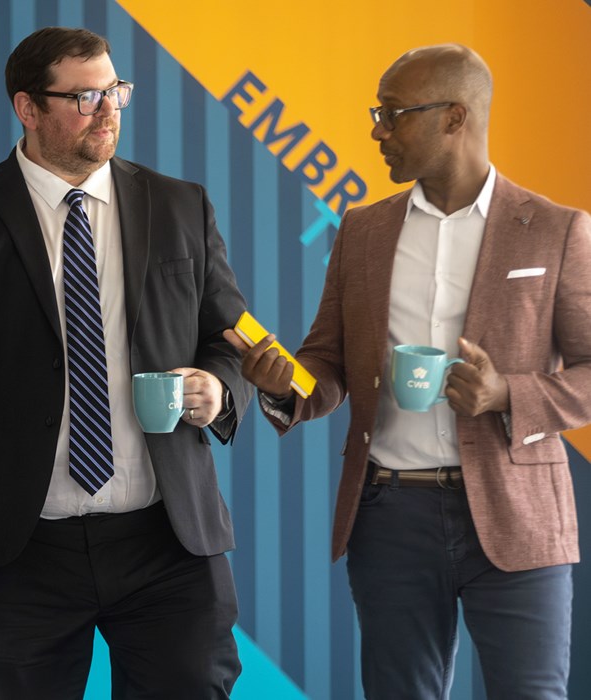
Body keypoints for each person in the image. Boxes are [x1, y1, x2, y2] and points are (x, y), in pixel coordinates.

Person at [0, 27, 251, 697]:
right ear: (28, 109)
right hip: (15, 545)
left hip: (166, 539)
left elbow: (231, 338)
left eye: (115, 91)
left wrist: (217, 389)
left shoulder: (180, 205)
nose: (107, 110)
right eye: (84, 97)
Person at [226, 44, 591, 699]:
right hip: (389, 514)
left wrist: (507, 393)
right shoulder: (362, 231)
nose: (375, 130)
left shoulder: (556, 231)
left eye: (392, 114)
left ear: (455, 118)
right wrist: (289, 386)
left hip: (519, 512)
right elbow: (327, 364)